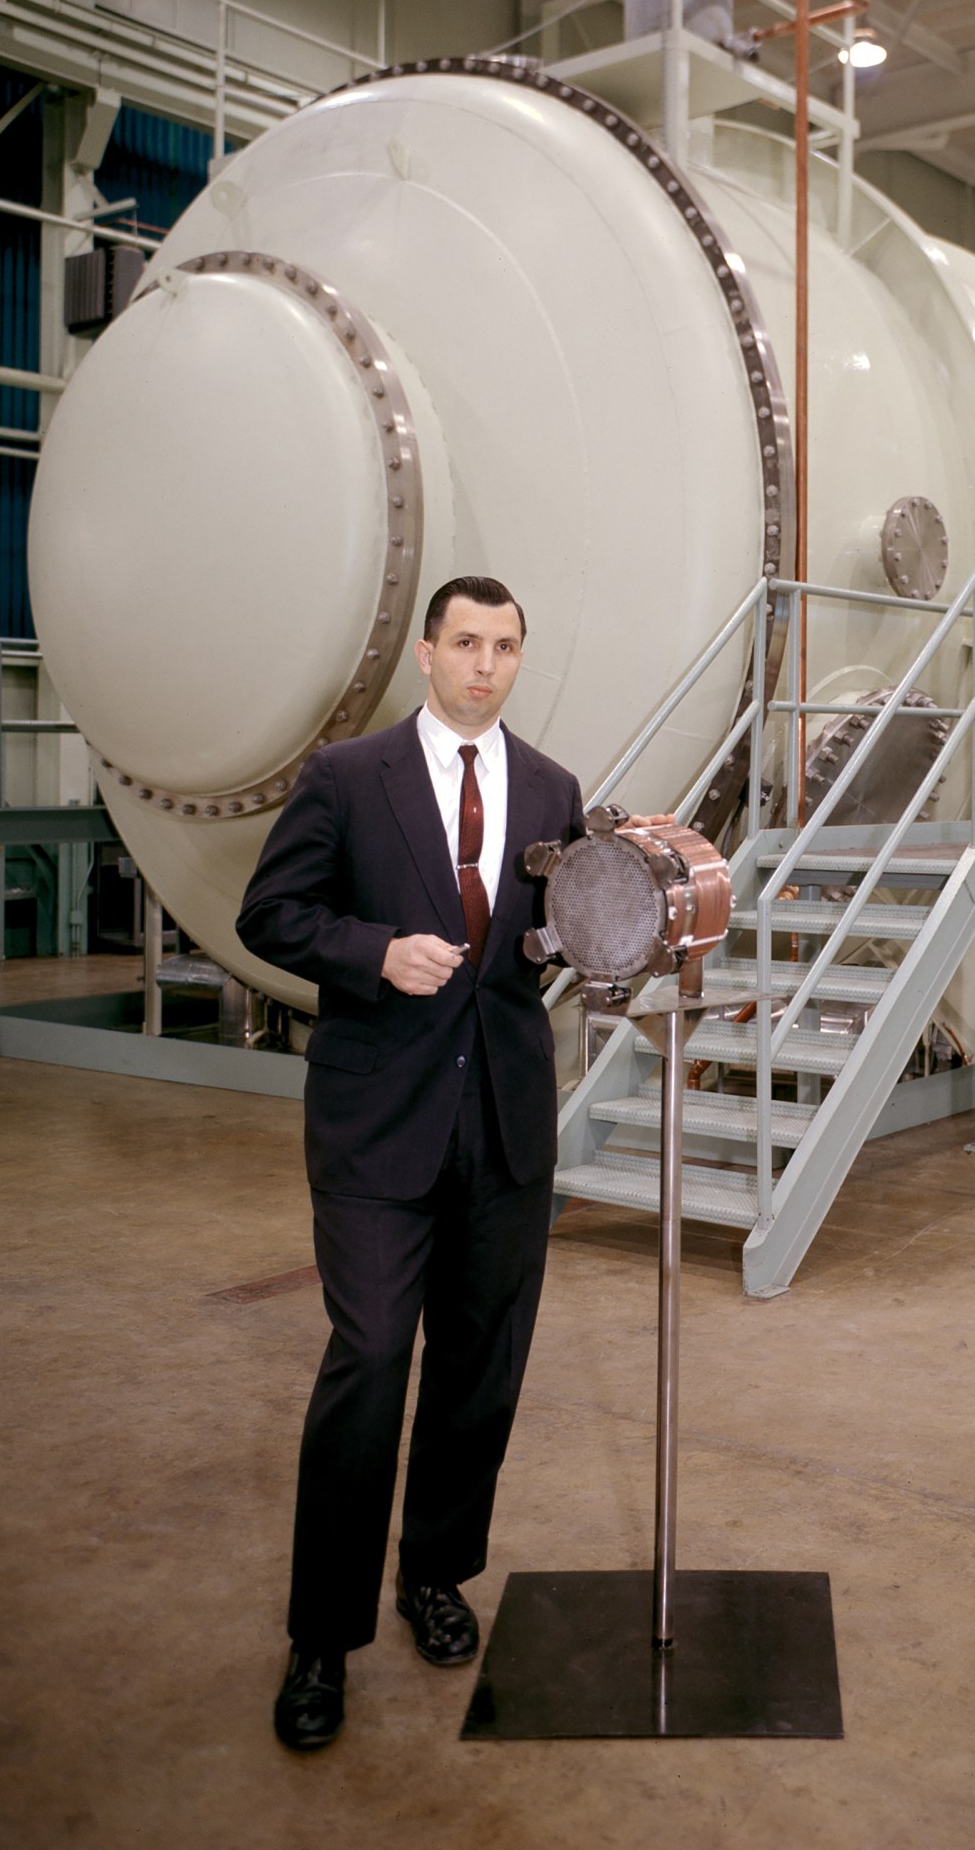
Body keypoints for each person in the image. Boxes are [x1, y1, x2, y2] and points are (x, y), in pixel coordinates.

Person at [237, 574, 583, 1752]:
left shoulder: (549, 789)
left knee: (479, 1366)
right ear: (426, 654)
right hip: (376, 1124)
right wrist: (375, 951)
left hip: (502, 1124)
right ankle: (321, 1638)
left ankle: (436, 1572)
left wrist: (600, 924)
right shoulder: (348, 779)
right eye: (466, 643)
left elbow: (543, 946)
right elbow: (269, 915)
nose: (485, 665)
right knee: (373, 1357)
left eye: (505, 646)